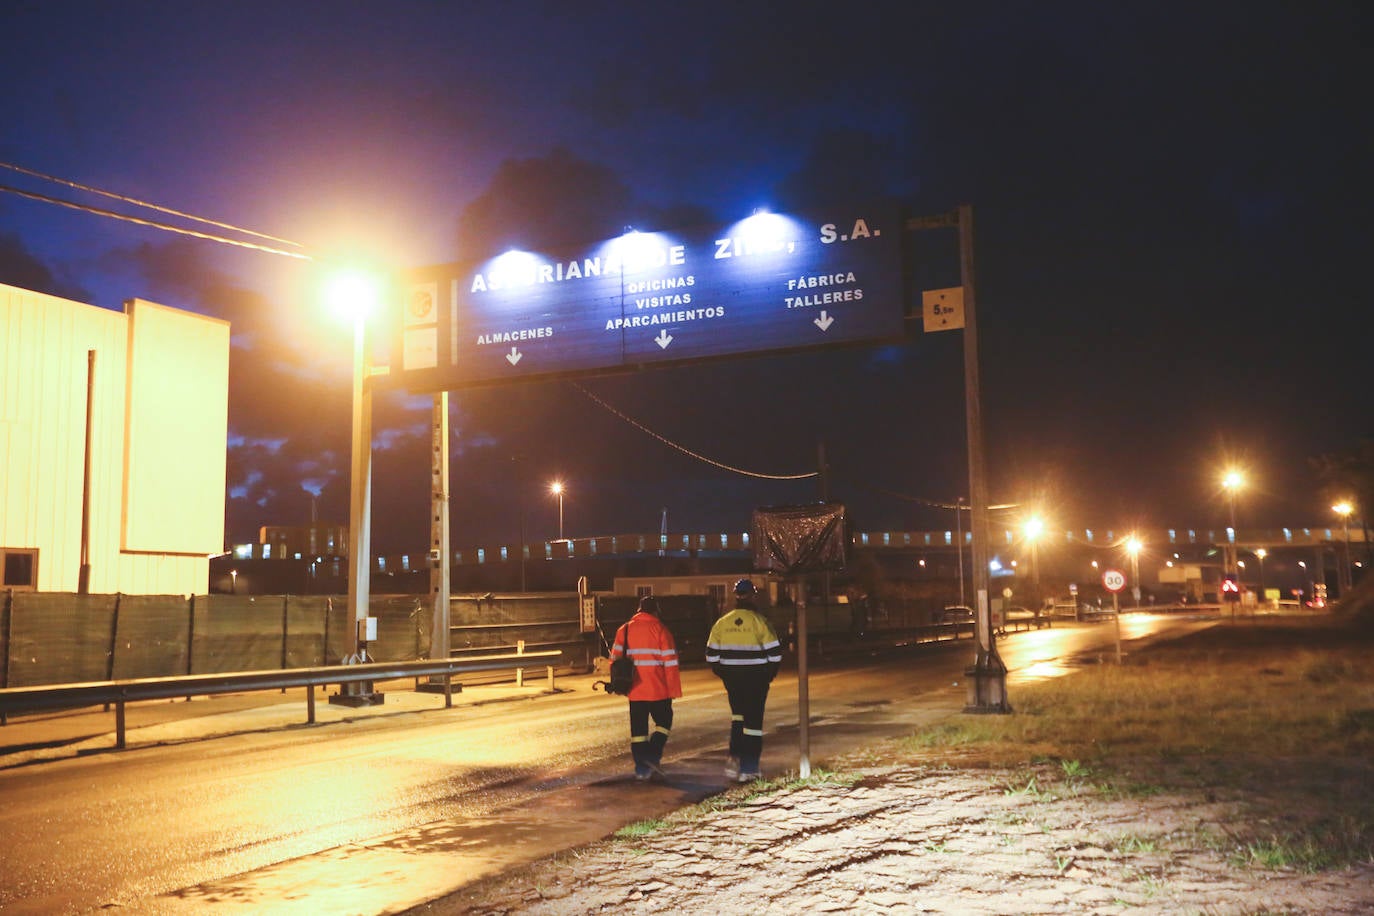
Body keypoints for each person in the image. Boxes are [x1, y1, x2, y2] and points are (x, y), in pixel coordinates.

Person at [705, 578, 782, 782]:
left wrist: (726, 673)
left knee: (738, 717)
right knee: (753, 723)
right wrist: (767, 674)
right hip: (756, 680)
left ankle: (734, 760)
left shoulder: (723, 622)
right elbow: (774, 654)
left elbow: (711, 656)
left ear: (736, 596)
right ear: (753, 596)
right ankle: (749, 769)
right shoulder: (759, 621)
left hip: (733, 680)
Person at [609, 595, 682, 781]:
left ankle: (641, 770)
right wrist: (673, 690)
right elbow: (671, 663)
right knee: (664, 723)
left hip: (634, 690)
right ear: (656, 611)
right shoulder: (661, 630)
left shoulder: (623, 630)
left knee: (638, 732)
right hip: (658, 689)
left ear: (639, 610)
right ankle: (652, 755)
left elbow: (614, 660)